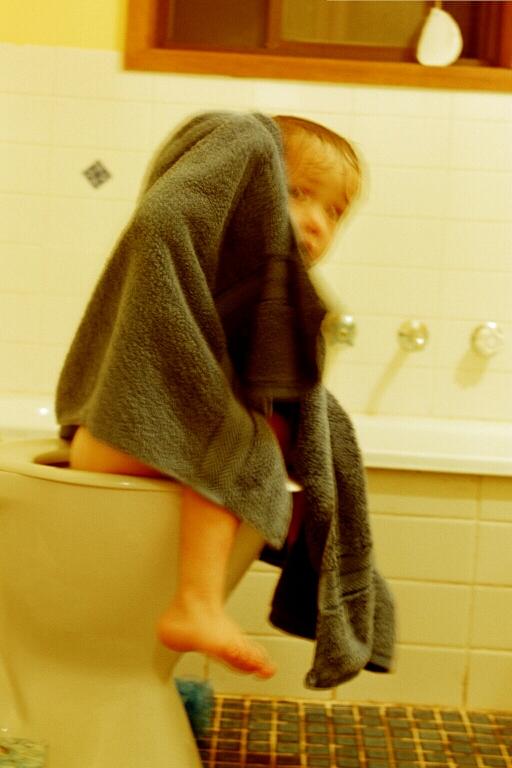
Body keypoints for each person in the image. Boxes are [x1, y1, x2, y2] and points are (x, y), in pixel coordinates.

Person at [67, 113, 361, 680]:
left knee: (262, 436)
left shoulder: (269, 297)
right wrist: (242, 141)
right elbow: (166, 215)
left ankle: (178, 623)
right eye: (298, 192)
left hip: (123, 443)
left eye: (334, 212)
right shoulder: (188, 257)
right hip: (119, 439)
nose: (317, 221)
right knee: (242, 444)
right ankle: (196, 604)